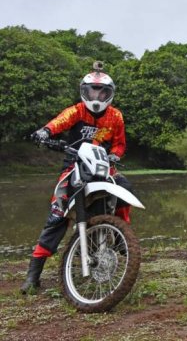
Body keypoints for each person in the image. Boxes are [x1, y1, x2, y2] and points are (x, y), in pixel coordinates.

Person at [21, 61, 134, 294]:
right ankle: (33, 274)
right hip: (74, 165)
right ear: (84, 91)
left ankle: (123, 238)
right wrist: (45, 132)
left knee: (125, 187)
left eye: (101, 91)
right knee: (57, 214)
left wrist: (114, 156)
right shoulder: (77, 111)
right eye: (92, 90)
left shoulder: (116, 117)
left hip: (103, 167)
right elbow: (59, 122)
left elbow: (120, 145)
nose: (96, 95)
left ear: (109, 94)